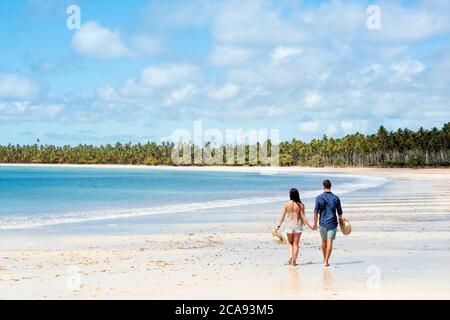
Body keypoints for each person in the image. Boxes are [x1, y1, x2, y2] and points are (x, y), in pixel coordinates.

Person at [276, 188, 315, 266]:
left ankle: (291, 256)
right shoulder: (300, 205)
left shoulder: (287, 204)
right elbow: (304, 217)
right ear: (297, 195)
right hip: (298, 226)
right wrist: (311, 226)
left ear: (290, 195)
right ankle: (294, 261)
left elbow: (282, 216)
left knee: (290, 243)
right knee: (296, 244)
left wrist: (278, 226)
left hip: (289, 226)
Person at [313, 179, 344, 267]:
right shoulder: (336, 198)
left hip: (322, 223)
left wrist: (315, 223)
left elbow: (315, 212)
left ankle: (324, 258)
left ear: (323, 187)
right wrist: (340, 219)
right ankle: (326, 261)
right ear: (330, 186)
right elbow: (340, 211)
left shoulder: (319, 198)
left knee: (324, 241)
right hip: (333, 223)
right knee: (329, 242)